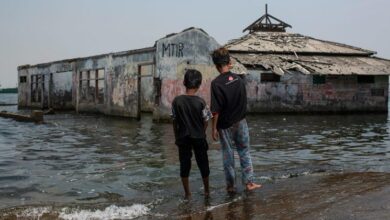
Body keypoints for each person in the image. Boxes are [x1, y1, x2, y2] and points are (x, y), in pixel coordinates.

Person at [210, 47, 261, 192]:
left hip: (224, 125)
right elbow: (243, 101)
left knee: (228, 154)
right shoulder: (238, 79)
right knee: (244, 151)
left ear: (216, 65)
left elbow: (215, 110)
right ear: (229, 62)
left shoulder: (216, 83)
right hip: (241, 121)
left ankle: (231, 186)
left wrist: (213, 128)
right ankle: (249, 183)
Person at [171, 69, 212, 199]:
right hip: (199, 136)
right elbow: (206, 120)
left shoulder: (176, 101)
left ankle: (187, 193)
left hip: (183, 137)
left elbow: (174, 120)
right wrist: (202, 131)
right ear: (199, 85)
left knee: (184, 164)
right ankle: (206, 191)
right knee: (203, 163)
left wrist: (176, 136)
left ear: (184, 82)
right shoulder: (201, 102)